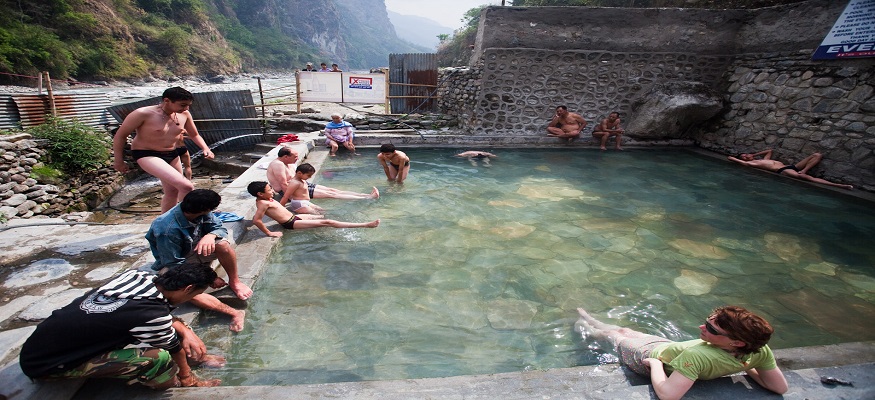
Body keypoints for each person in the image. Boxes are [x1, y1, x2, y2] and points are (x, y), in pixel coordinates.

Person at [19, 264, 224, 389]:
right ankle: (170, 383)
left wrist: (186, 330)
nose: (193, 298)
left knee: (175, 329)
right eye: (194, 295)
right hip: (48, 364)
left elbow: (157, 319)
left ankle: (195, 360)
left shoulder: (136, 276)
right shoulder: (151, 314)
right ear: (187, 288)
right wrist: (188, 377)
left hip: (43, 343)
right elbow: (173, 348)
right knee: (158, 359)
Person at [575, 306, 788, 400]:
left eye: (711, 330)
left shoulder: (697, 357)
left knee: (615, 336)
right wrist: (747, 366)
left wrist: (656, 365)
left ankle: (587, 327)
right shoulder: (759, 351)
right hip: (668, 347)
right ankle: (593, 320)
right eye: (707, 323)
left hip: (647, 356)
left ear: (738, 342)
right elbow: (779, 387)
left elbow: (668, 395)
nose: (701, 328)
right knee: (625, 330)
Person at [146, 189, 249, 332]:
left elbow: (219, 228)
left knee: (223, 245)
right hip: (176, 262)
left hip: (197, 251)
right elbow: (174, 264)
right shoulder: (166, 229)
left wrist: (211, 235)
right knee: (181, 288)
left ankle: (235, 281)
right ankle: (234, 312)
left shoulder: (201, 212)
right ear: (204, 209)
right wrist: (209, 277)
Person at [113, 87, 214, 212]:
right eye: (182, 105)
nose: (186, 108)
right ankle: (186, 220)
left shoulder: (184, 114)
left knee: (173, 191)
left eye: (188, 105)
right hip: (147, 154)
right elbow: (120, 136)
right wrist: (118, 160)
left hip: (172, 153)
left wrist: (206, 148)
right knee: (186, 186)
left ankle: (165, 223)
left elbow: (194, 135)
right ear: (167, 100)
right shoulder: (142, 113)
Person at [247, 181, 379, 237]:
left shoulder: (266, 199)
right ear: (260, 194)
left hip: (296, 218)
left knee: (324, 218)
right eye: (269, 190)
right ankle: (366, 225)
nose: (272, 191)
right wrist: (270, 233)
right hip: (291, 223)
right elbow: (256, 220)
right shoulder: (262, 204)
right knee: (328, 222)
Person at [266, 146, 379, 201]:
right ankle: (367, 198)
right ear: (286, 157)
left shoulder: (288, 163)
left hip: (301, 184)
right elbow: (283, 184)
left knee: (333, 190)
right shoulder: (278, 165)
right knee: (332, 195)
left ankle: (365, 195)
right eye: (295, 157)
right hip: (295, 190)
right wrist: (292, 198)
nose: (297, 158)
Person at [728, 149, 853, 189]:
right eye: (744, 156)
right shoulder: (754, 164)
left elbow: (770, 150)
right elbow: (735, 159)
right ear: (744, 160)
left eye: (746, 154)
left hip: (792, 166)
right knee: (805, 178)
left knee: (817, 155)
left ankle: (804, 170)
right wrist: (737, 159)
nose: (746, 156)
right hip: (783, 171)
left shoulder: (761, 159)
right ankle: (839, 185)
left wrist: (753, 154)